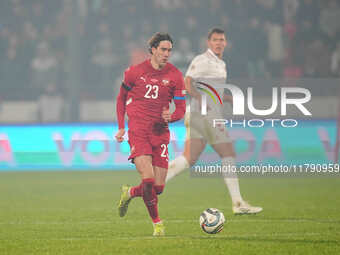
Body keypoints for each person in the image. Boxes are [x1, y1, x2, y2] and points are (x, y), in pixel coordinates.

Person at [166, 28, 263, 215]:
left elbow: (213, 91)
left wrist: (228, 99)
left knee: (189, 158)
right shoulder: (202, 60)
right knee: (227, 152)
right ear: (208, 42)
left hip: (203, 114)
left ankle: (154, 184)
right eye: (215, 40)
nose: (219, 43)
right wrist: (199, 98)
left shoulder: (221, 64)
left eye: (222, 40)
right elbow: (187, 82)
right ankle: (238, 203)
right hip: (203, 114)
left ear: (226, 43)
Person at [115, 32, 186, 236]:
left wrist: (170, 117)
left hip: (160, 134)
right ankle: (157, 224)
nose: (167, 54)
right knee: (148, 180)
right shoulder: (134, 72)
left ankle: (129, 192)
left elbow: (181, 110)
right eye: (163, 49)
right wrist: (121, 126)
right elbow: (121, 100)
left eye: (169, 50)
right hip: (138, 131)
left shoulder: (175, 76)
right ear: (153, 49)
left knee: (158, 188)